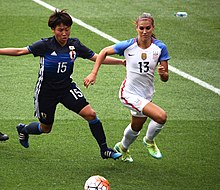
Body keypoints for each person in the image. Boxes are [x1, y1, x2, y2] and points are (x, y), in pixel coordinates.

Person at [0, 10, 124, 160]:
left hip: (66, 88)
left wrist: (121, 62)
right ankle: (24, 130)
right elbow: (20, 51)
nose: (64, 33)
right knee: (45, 128)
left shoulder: (75, 45)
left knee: (91, 114)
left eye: (67, 29)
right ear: (53, 30)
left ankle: (105, 149)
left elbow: (96, 57)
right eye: (60, 30)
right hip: (46, 92)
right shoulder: (45, 45)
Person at [84, 13, 170, 162]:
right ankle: (149, 141)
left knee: (136, 127)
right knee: (161, 117)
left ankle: (122, 148)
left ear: (153, 28)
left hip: (146, 94)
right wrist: (93, 73)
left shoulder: (160, 48)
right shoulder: (128, 45)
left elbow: (165, 78)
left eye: (147, 28)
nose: (144, 31)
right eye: (141, 28)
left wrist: (163, 73)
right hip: (128, 93)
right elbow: (104, 52)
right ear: (136, 28)